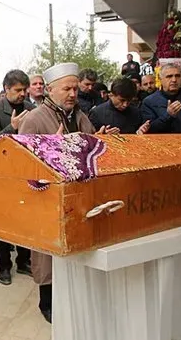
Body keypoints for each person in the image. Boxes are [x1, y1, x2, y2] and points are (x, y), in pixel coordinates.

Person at [19, 62, 112, 323]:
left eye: (75, 88)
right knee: (47, 255)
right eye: (67, 89)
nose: (73, 93)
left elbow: (89, 147)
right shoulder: (34, 119)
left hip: (77, 198)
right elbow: (23, 163)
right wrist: (52, 148)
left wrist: (99, 141)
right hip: (46, 199)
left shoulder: (80, 116)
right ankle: (46, 302)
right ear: (50, 90)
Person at [0, 69, 36, 284]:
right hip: (3, 174)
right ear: (6, 89)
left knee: (24, 222)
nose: (22, 94)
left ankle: (23, 261)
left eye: (25, 90)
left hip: (24, 172)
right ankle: (4, 266)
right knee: (5, 223)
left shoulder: (32, 109)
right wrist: (11, 128)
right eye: (18, 90)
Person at [141, 62, 181, 134]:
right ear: (160, 80)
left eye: (177, 76)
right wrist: (168, 116)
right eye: (169, 76)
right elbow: (149, 130)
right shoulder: (149, 102)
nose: (174, 80)